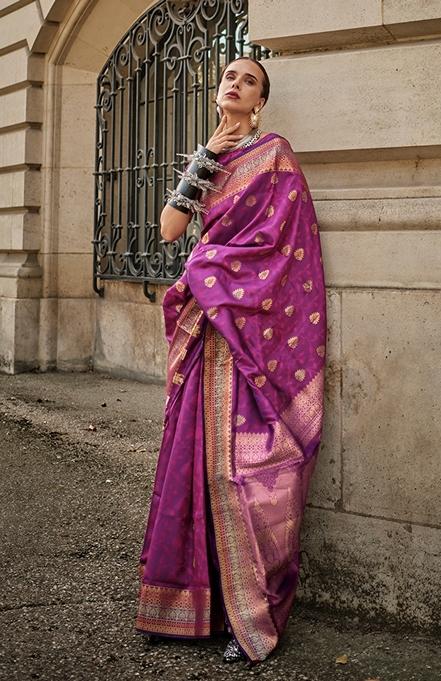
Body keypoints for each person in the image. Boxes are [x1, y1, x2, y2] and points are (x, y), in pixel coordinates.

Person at [135, 56, 327, 665]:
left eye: (248, 79)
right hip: (207, 333)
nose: (234, 82)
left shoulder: (274, 155)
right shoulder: (208, 158)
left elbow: (285, 246)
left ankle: (252, 614)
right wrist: (199, 165)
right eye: (228, 76)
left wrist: (215, 270)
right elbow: (169, 230)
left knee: (243, 472)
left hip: (249, 332)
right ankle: (194, 611)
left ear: (261, 100)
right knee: (192, 467)